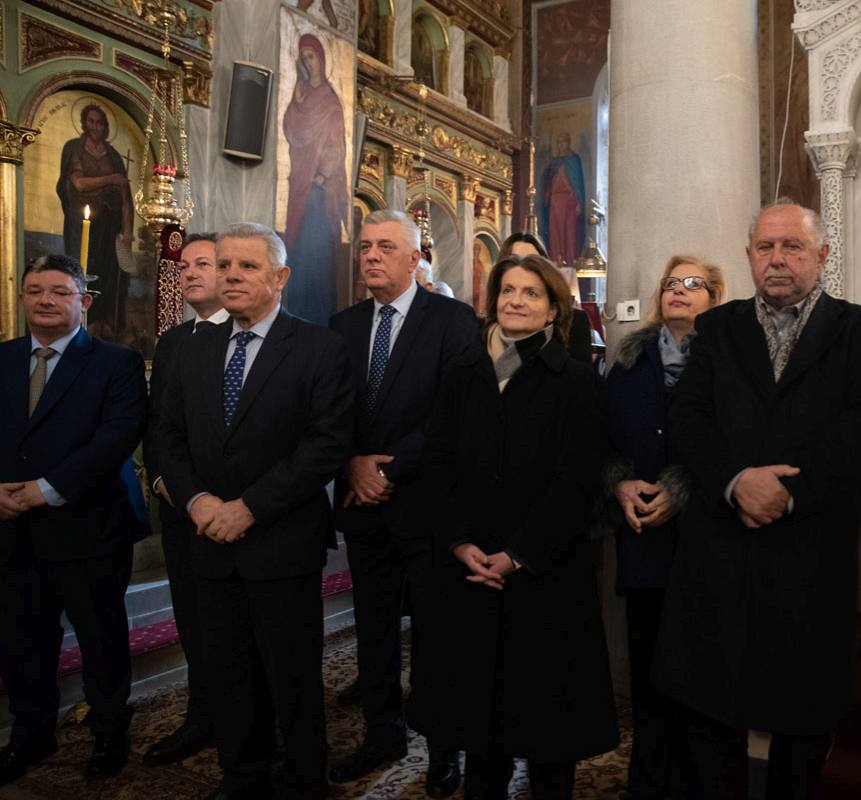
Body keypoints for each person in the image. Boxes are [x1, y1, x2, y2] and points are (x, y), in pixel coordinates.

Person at [652, 200, 861, 799]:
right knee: (711, 721)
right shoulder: (718, 328)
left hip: (808, 552)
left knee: (801, 728)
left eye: (792, 246)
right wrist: (736, 480)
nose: (778, 259)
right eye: (765, 248)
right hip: (721, 550)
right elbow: (688, 417)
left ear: (822, 255)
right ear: (749, 257)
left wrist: (788, 492)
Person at [409, 253, 619, 800]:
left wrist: (520, 554)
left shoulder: (576, 382)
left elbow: (578, 482)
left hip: (546, 578)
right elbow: (438, 465)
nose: (516, 301)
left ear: (552, 310)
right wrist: (459, 542)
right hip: (470, 573)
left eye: (531, 293)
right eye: (507, 291)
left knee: (549, 736)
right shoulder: (462, 375)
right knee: (480, 733)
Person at [159, 222, 355, 798]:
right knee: (228, 668)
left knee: (291, 673)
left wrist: (249, 508)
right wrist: (196, 500)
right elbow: (168, 435)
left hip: (281, 540)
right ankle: (241, 773)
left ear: (280, 276)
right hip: (209, 539)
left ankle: (303, 777)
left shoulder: (319, 348)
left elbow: (326, 444)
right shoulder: (194, 347)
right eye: (223, 266)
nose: (231, 276)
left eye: (247, 266)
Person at [327, 209, 479, 795]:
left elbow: (453, 412)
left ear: (415, 259)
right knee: (374, 632)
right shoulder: (342, 325)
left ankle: (444, 748)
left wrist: (387, 468)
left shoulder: (452, 320)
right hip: (363, 506)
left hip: (427, 506)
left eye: (385, 247)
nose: (370, 256)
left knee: (438, 637)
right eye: (365, 246)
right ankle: (381, 733)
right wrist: (351, 462)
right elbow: (328, 410)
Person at [0, 254, 147, 783]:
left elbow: (116, 437)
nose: (46, 300)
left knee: (100, 639)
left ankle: (108, 731)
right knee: (21, 639)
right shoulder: (3, 358)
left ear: (83, 301)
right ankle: (31, 733)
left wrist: (44, 490)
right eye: (36, 290)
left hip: (89, 526)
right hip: (11, 530)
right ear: (22, 298)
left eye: (60, 292)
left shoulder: (116, 362)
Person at [602, 254, 725, 799]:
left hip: (705, 542)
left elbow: (738, 443)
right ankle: (648, 780)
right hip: (644, 540)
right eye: (672, 282)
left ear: (714, 298)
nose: (679, 290)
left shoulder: (727, 361)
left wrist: (684, 488)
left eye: (693, 283)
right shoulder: (630, 361)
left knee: (700, 672)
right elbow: (601, 437)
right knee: (648, 668)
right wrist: (619, 482)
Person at [141, 233, 230, 766]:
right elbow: (158, 425)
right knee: (192, 622)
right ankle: (202, 716)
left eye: (203, 264)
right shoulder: (174, 341)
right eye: (185, 264)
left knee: (232, 627)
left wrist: (212, 500)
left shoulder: (244, 335)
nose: (190, 272)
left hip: (229, 512)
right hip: (178, 508)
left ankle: (245, 720)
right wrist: (160, 480)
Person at [282, 32, 349, 326]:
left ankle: (316, 318)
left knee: (316, 254)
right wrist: (297, 104)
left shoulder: (331, 101)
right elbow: (292, 131)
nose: (309, 63)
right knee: (297, 250)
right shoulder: (302, 94)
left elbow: (336, 147)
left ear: (320, 58)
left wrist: (322, 176)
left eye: (311, 57)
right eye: (304, 58)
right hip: (300, 184)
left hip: (319, 191)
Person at [56, 103, 135, 337]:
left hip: (110, 224)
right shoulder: (75, 148)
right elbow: (78, 184)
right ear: (83, 123)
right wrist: (110, 179)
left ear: (106, 127)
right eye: (90, 121)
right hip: (81, 224)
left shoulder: (113, 155)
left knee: (108, 275)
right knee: (83, 270)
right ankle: (80, 322)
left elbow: (125, 196)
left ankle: (104, 324)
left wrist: (127, 230)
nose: (95, 127)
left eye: (99, 122)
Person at [498, 232, 591, 364]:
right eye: (515, 260)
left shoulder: (575, 321)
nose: (523, 266)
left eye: (533, 260)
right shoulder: (481, 329)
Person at [537, 132, 586, 265]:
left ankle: (570, 262)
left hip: (569, 201)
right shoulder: (554, 162)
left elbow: (578, 183)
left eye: (563, 141)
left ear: (568, 142)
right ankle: (556, 261)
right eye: (558, 142)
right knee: (555, 232)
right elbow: (548, 182)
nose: (561, 145)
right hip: (555, 201)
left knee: (569, 233)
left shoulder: (574, 160)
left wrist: (579, 203)